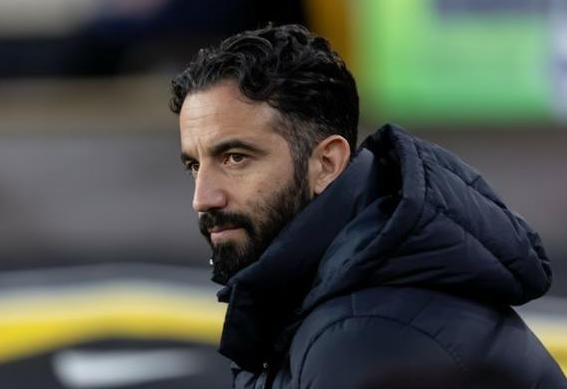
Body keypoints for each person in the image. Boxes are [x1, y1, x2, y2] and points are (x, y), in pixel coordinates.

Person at [171, 24, 566, 388]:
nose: (202, 198)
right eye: (194, 165)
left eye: (235, 158)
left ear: (326, 164)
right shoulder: (341, 292)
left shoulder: (364, 341)